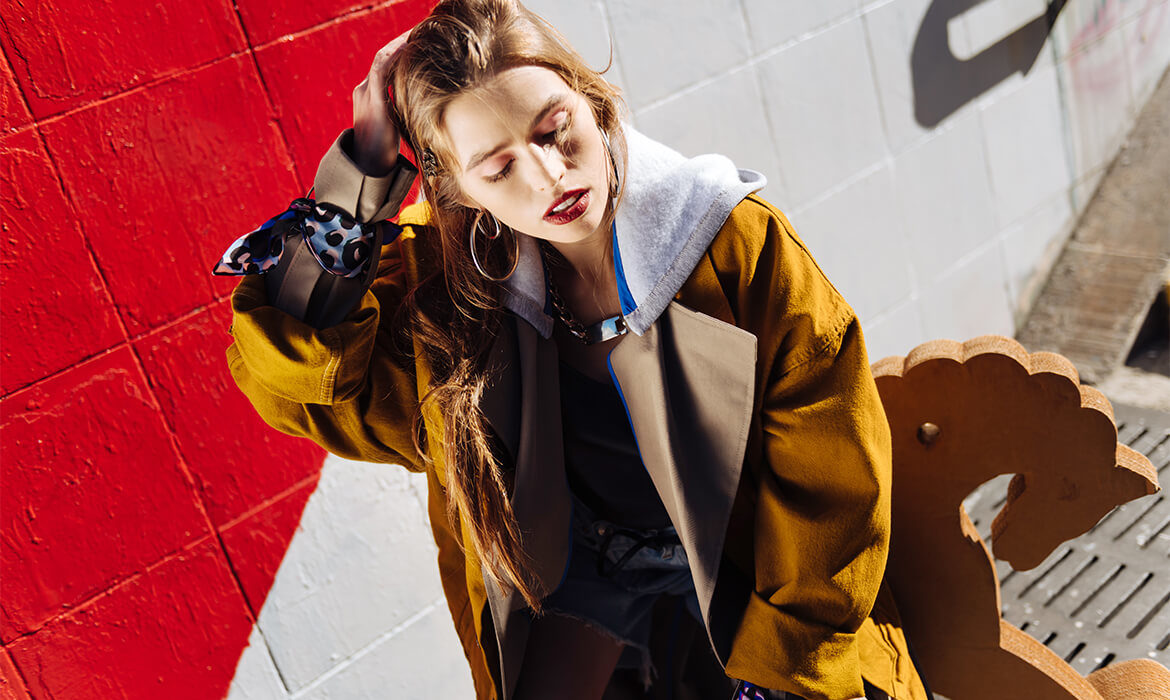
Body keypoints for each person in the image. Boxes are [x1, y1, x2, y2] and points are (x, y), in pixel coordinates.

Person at [218, 1, 932, 698]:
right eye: (497, 169)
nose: (548, 176)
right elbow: (299, 392)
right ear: (459, 190)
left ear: (591, 101)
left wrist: (782, 671)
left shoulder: (731, 243)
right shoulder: (451, 289)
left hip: (745, 559)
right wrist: (356, 182)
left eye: (555, 130)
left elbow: (834, 481)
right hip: (575, 570)